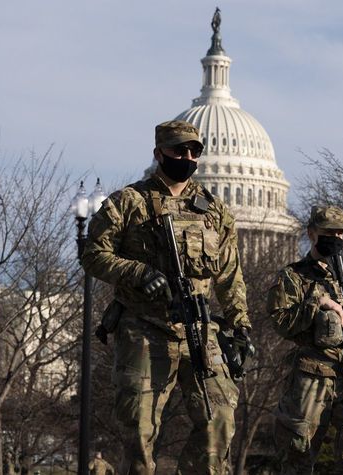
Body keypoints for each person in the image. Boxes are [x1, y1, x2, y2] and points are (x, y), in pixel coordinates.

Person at [81, 120, 251, 474]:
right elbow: (93, 254)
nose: (187, 157)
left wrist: (239, 326)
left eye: (194, 151)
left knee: (219, 422)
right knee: (139, 435)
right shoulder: (128, 202)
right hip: (144, 330)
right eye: (178, 150)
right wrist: (139, 273)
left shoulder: (215, 211)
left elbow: (230, 275)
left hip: (201, 331)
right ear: (159, 153)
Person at [267, 206, 343, 475]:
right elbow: (281, 322)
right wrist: (318, 303)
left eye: (340, 233)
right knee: (298, 455)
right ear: (312, 233)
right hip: (312, 377)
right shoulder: (293, 277)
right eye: (328, 232)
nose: (335, 238)